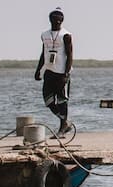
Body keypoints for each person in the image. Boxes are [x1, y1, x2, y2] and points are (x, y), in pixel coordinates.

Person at [34, 8, 74, 138]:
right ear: (50, 20)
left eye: (59, 19)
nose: (56, 21)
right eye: (54, 19)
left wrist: (66, 73)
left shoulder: (66, 35)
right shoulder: (44, 35)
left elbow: (70, 55)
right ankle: (65, 121)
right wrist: (38, 70)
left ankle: (62, 127)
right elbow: (43, 53)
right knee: (48, 101)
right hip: (49, 71)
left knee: (62, 100)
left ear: (62, 20)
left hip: (61, 72)